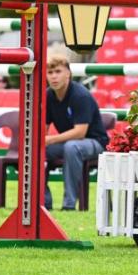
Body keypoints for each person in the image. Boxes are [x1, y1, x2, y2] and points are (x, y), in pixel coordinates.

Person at [44, 47, 107, 211]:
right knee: (37, 150)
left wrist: (49, 139)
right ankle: (43, 202)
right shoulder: (48, 95)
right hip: (69, 143)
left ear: (68, 74)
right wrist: (41, 142)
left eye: (58, 71)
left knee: (71, 147)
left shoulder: (80, 95)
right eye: (50, 72)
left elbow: (80, 132)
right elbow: (43, 129)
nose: (54, 76)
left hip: (95, 143)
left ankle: (69, 204)